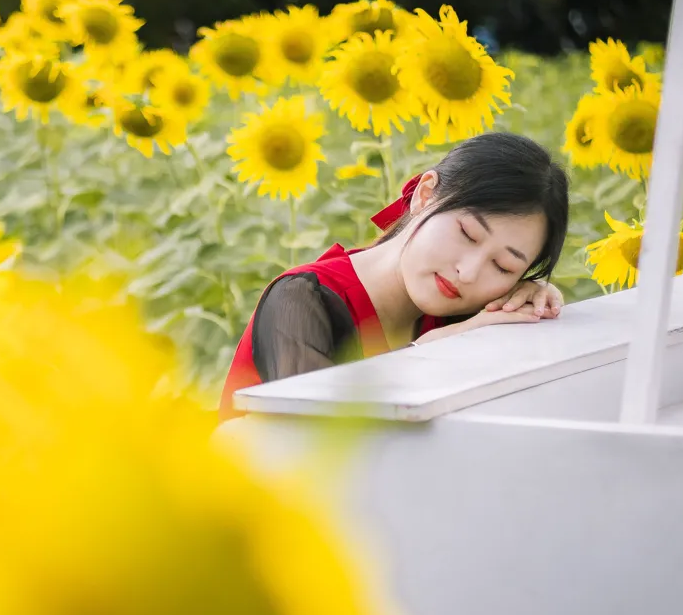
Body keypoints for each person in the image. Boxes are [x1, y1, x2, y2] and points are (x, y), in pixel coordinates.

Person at [219, 132, 569, 421]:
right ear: (425, 195)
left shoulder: (465, 312)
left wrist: (525, 298)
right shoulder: (301, 299)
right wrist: (426, 352)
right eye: (467, 234)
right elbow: (317, 441)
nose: (468, 272)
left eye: (503, 266)